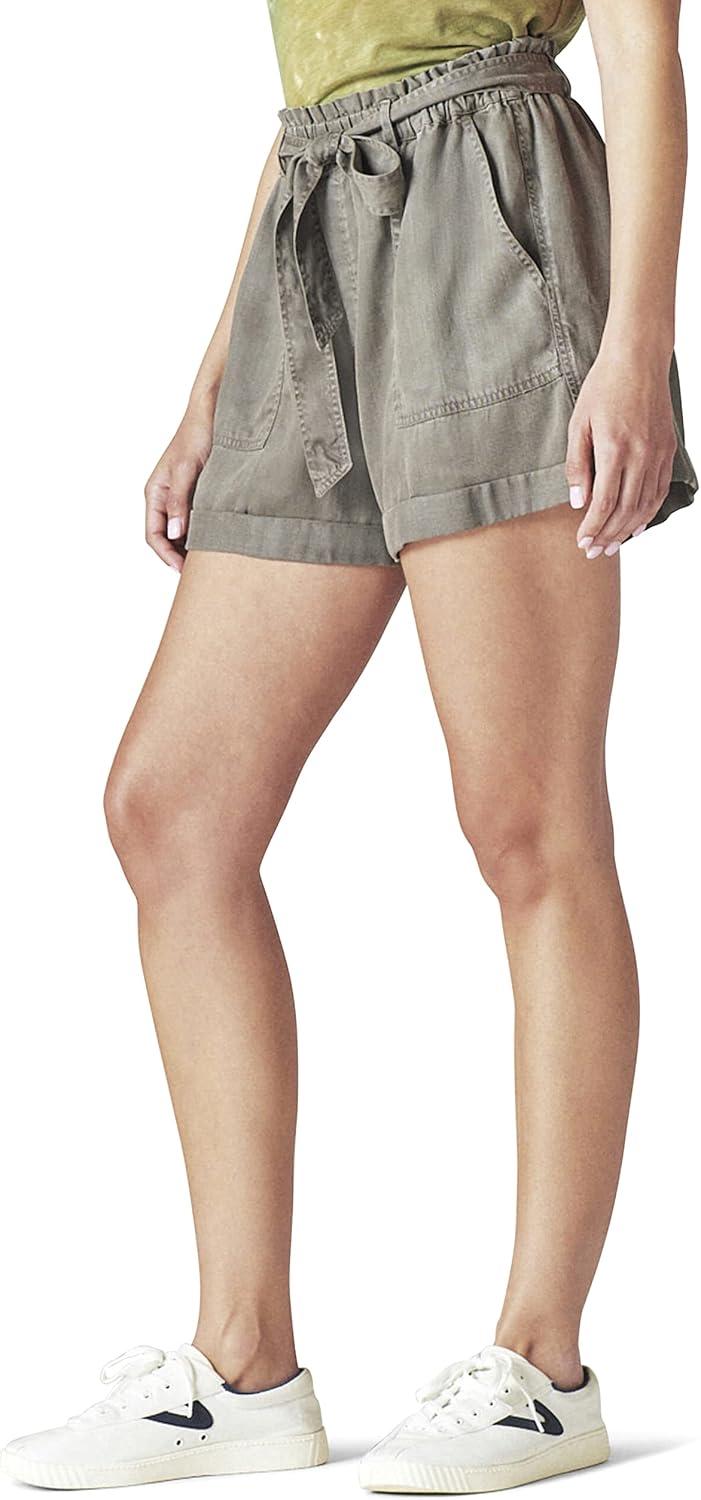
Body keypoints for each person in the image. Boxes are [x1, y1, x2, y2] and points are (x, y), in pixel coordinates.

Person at [2, 0, 696, 1494]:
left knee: (525, 819)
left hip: (493, 212)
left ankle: (542, 1366)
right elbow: (317, 83)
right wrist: (211, 386)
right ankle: (243, 1365)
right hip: (308, 227)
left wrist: (635, 348)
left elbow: (643, 45)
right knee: (172, 810)